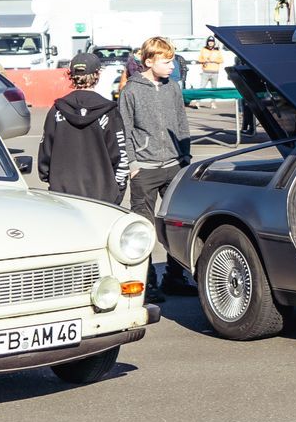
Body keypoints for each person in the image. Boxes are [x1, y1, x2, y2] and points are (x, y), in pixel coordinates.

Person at [120, 36, 194, 298]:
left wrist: (185, 155)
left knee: (176, 225)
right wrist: (132, 163)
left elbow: (181, 122)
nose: (172, 66)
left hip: (174, 165)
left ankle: (175, 277)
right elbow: (125, 130)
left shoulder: (173, 87)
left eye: (172, 60)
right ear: (149, 61)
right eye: (167, 61)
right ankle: (146, 282)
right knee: (144, 228)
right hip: (145, 169)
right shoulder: (131, 90)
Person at [38, 51, 130, 204]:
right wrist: (117, 190)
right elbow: (120, 156)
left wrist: (52, 180)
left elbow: (45, 155)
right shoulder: (109, 112)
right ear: (98, 74)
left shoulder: (56, 111)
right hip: (102, 197)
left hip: (63, 195)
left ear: (70, 75)